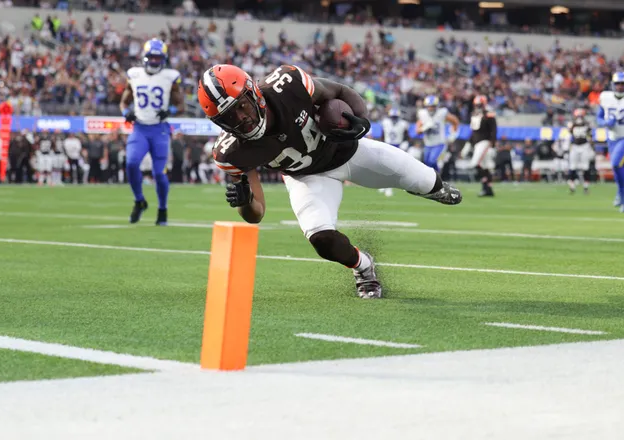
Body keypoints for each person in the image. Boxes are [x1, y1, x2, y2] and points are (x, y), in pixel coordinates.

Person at [197, 64, 462, 299]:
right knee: (320, 237)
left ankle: (433, 189)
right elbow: (256, 214)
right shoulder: (230, 152)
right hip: (307, 178)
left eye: (241, 105)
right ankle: (364, 267)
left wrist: (361, 119)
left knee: (425, 179)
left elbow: (341, 92)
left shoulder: (288, 84)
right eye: (229, 116)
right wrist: (244, 203)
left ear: (253, 92)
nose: (241, 117)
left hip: (347, 151)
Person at [120, 38, 184, 225]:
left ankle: (162, 210)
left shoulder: (170, 77)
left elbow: (180, 104)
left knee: (159, 173)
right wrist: (126, 112)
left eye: (158, 58)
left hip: (159, 129)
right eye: (152, 57)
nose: (155, 61)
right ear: (145, 57)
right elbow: (124, 101)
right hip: (139, 128)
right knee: (131, 163)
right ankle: (139, 201)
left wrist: (170, 110)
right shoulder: (134, 74)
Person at [597, 71, 624, 212]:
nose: (620, 86)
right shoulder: (605, 97)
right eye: (618, 84)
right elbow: (598, 118)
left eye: (623, 84)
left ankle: (622, 193)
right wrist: (605, 122)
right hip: (612, 138)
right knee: (618, 169)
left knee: (616, 163)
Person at [461, 95, 497, 197]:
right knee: (484, 166)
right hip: (477, 144)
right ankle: (487, 188)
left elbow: (493, 130)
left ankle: (486, 186)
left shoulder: (488, 115)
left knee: (475, 164)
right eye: (476, 105)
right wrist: (468, 144)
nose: (478, 106)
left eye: (479, 105)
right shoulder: (474, 115)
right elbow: (473, 132)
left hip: (485, 142)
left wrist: (492, 144)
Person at [416, 95, 459, 171]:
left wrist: (452, 134)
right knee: (427, 163)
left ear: (437, 106)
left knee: (432, 161)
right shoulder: (422, 114)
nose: (431, 108)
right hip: (428, 144)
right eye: (429, 106)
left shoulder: (442, 113)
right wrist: (424, 128)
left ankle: (438, 177)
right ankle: (434, 179)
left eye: (433, 106)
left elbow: (455, 121)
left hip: (439, 143)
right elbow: (418, 131)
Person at [377, 108, 410, 197]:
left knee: (397, 168)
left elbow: (407, 136)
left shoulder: (403, 124)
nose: (394, 119)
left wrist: (405, 143)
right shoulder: (385, 122)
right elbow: (382, 135)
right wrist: (381, 145)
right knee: (385, 167)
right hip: (388, 145)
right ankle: (385, 186)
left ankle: (392, 186)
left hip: (398, 146)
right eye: (392, 117)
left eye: (395, 117)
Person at [566, 108, 593, 194]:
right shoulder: (572, 124)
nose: (579, 117)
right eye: (578, 115)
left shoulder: (587, 124)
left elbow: (590, 135)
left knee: (586, 167)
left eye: (581, 115)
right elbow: (569, 133)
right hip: (575, 146)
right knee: (572, 166)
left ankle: (586, 187)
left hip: (584, 146)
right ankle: (572, 186)